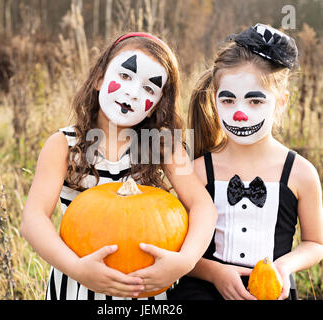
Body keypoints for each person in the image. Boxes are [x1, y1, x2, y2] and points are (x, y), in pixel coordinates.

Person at [20, 32, 217, 300]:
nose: (132, 93)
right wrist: (77, 269)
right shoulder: (65, 145)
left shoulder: (162, 147)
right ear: (99, 78)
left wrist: (185, 261)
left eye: (149, 88)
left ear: (155, 106)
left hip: (146, 290)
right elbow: (34, 219)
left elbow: (202, 206)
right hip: (79, 284)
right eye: (125, 75)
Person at [167, 24, 323, 300]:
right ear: (214, 101)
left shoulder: (300, 173)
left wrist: (283, 266)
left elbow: (315, 242)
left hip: (272, 291)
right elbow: (177, 247)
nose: (240, 113)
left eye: (254, 102)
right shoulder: (198, 171)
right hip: (203, 291)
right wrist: (215, 273)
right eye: (228, 101)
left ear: (281, 103)